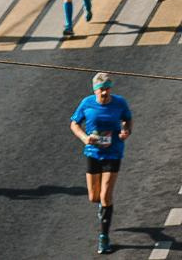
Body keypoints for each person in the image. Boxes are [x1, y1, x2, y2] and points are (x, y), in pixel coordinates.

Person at [71, 72, 131, 254]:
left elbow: (127, 119)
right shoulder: (87, 103)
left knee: (106, 195)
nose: (104, 93)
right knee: (94, 197)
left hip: (113, 153)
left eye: (107, 89)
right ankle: (103, 207)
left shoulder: (119, 103)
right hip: (93, 153)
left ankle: (104, 237)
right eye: (101, 90)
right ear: (94, 90)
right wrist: (84, 138)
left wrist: (126, 131)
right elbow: (74, 123)